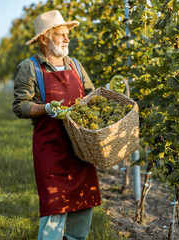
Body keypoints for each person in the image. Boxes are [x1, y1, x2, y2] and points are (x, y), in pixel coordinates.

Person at [12, 10, 125, 240]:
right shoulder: (30, 67)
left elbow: (91, 96)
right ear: (44, 39)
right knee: (54, 208)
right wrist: (46, 108)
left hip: (80, 148)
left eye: (67, 34)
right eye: (61, 34)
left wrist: (110, 94)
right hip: (51, 149)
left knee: (84, 205)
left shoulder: (74, 65)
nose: (67, 39)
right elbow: (20, 106)